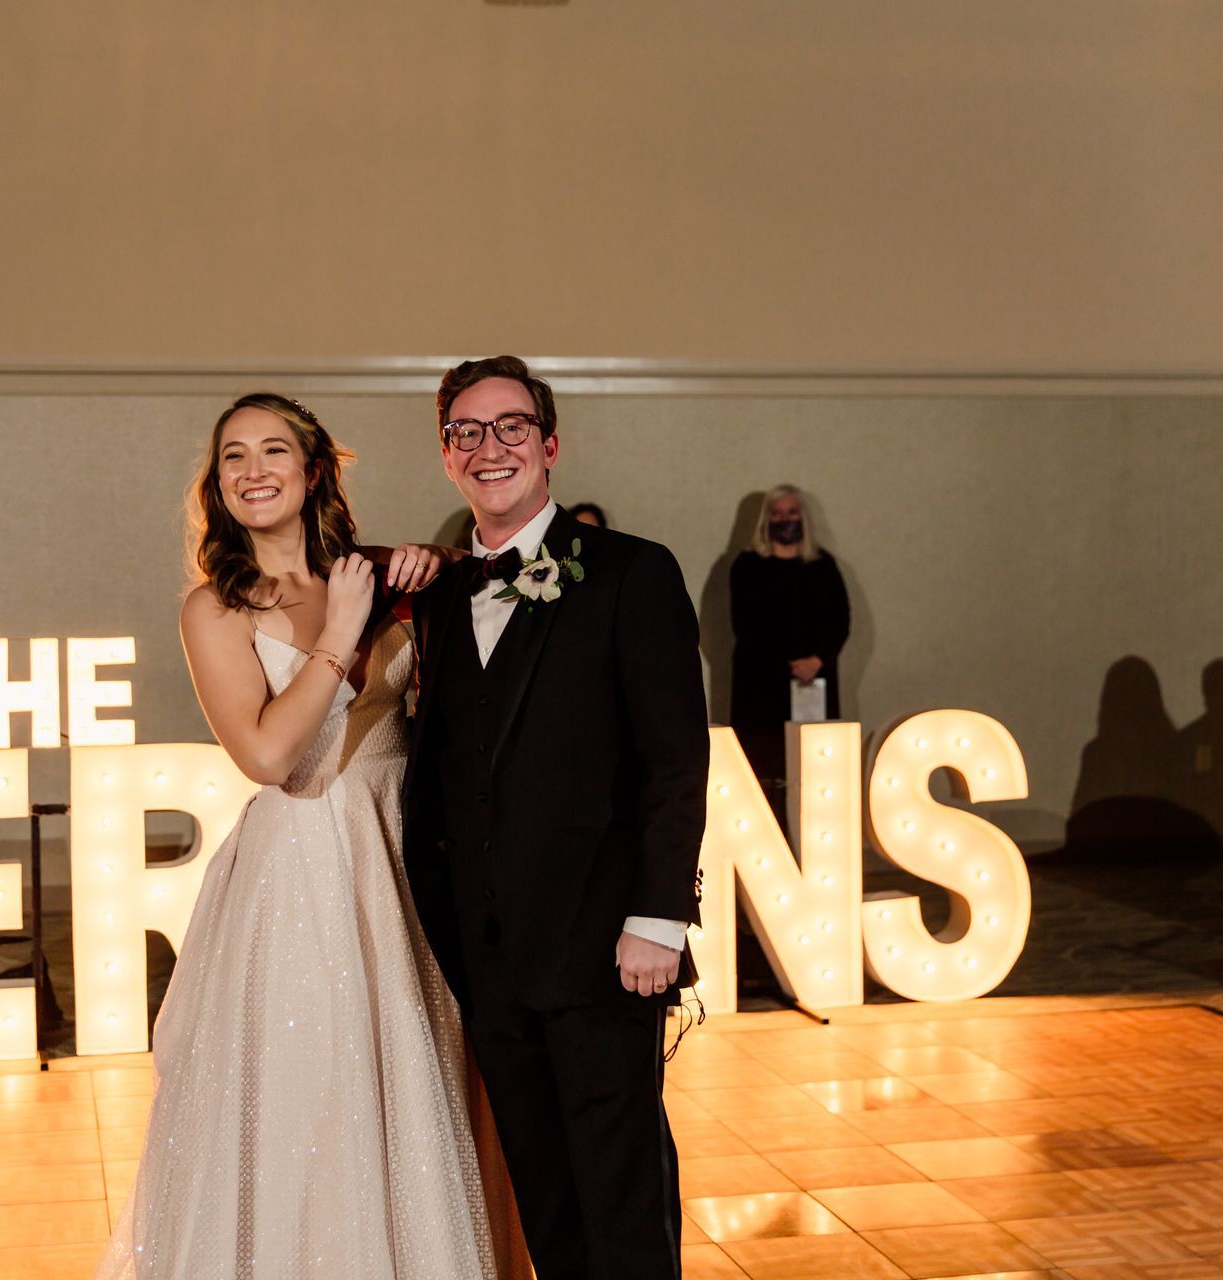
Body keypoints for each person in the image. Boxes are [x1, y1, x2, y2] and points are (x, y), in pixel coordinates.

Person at [97, 393, 526, 1279]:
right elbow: (265, 752)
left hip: (398, 858)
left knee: (410, 1084)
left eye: (273, 451)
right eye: (232, 459)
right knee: (312, 1094)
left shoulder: (372, 576)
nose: (253, 471)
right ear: (216, 486)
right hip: (299, 867)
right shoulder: (215, 608)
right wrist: (338, 637)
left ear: (314, 467)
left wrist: (435, 566)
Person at [402, 356, 708, 1280]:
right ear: (448, 457)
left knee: (621, 1193)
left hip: (606, 949)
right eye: (467, 432)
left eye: (510, 428)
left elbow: (673, 759)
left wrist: (658, 918)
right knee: (545, 1195)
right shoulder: (445, 597)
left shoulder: (632, 572)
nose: (489, 448)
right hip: (489, 958)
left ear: (550, 446)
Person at [727, 485, 850, 787]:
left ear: (803, 517)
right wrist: (786, 664)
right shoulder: (747, 566)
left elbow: (840, 619)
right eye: (777, 513)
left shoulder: (823, 564)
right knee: (765, 773)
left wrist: (817, 660)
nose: (785, 519)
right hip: (761, 687)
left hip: (813, 681)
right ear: (765, 519)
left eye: (791, 512)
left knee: (814, 774)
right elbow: (745, 625)